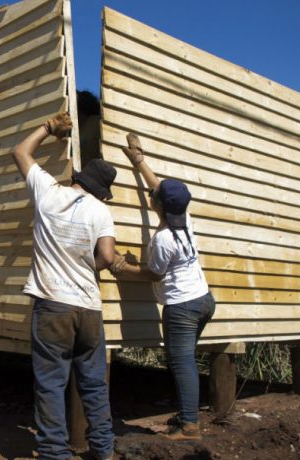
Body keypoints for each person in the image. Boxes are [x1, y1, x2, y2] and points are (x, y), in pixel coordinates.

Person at [12, 112, 117, 460]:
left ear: (78, 178)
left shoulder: (48, 192)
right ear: (101, 190)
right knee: (93, 386)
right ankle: (103, 451)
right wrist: (87, 265)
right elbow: (107, 256)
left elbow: (20, 152)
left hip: (53, 305)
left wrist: (46, 128)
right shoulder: (101, 211)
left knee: (51, 384)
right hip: (88, 307)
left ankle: (56, 454)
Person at [110, 133, 215, 441]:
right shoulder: (185, 216)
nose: (151, 195)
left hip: (182, 307)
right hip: (204, 299)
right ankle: (186, 415)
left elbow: (154, 275)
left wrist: (121, 266)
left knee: (182, 364)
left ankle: (190, 426)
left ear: (156, 206)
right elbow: (160, 188)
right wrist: (139, 159)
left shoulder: (164, 239)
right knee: (186, 359)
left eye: (153, 197)